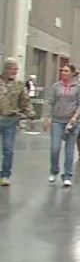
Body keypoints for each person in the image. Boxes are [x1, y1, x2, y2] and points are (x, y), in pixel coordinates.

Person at [44, 64, 80, 187]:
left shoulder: (79, 88)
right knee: (55, 148)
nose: (63, 72)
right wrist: (48, 117)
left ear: (72, 73)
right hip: (57, 120)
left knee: (69, 150)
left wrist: (75, 116)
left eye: (66, 71)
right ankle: (54, 170)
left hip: (72, 122)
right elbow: (50, 102)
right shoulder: (56, 86)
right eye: (62, 71)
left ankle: (67, 175)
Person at [0, 58, 34, 186]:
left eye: (16, 69)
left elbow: (25, 102)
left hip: (10, 120)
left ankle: (5, 175)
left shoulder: (19, 85)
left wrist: (31, 115)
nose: (15, 72)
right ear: (6, 69)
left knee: (8, 149)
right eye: (14, 69)